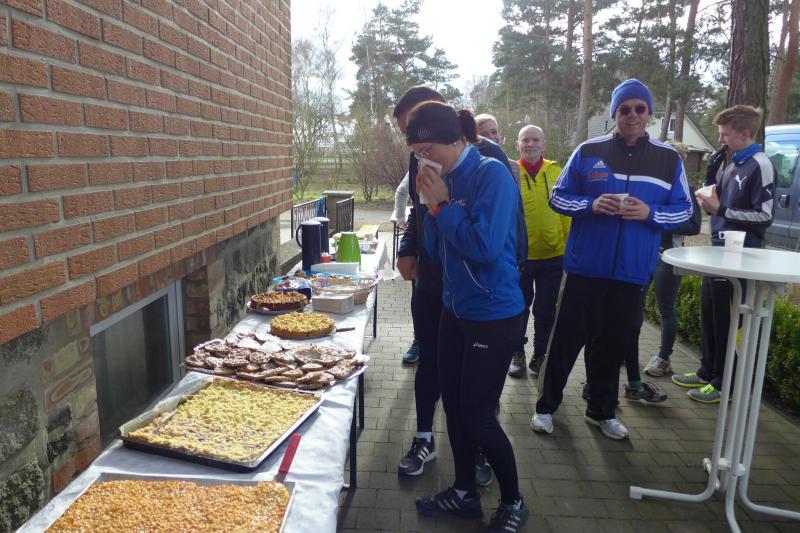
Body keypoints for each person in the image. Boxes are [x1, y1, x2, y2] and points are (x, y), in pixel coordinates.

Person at [530, 78, 692, 440]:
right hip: (585, 269)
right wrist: (591, 205)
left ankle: (601, 412)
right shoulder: (588, 150)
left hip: (631, 274)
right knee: (565, 343)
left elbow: (685, 211)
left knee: (611, 348)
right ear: (614, 113)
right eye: (624, 109)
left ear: (649, 114)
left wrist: (650, 212)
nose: (632, 115)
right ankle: (545, 407)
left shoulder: (668, 160)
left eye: (639, 109)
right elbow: (558, 197)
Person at [408, 100, 528, 533]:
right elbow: (438, 252)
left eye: (428, 150)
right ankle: (464, 493)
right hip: (454, 309)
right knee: (455, 408)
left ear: (456, 139)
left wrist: (442, 207)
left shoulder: (490, 174)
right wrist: (429, 207)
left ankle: (514, 501)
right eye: (417, 153)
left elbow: (485, 248)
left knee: (478, 414)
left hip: (493, 314)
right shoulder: (448, 179)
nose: (424, 160)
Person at [672, 105, 775, 403]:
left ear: (745, 133)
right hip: (719, 251)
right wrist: (709, 200)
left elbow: (764, 215)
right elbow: (720, 206)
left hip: (742, 257)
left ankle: (725, 384)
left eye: (725, 134)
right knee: (710, 313)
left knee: (728, 320)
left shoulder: (760, 164)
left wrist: (721, 209)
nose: (720, 140)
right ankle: (707, 371)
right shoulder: (731, 164)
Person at [507, 125, 569, 379]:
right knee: (519, 308)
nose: (530, 144)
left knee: (545, 310)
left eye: (535, 140)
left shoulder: (557, 172)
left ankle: (540, 354)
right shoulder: (509, 172)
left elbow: (566, 212)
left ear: (544, 144)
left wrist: (567, 246)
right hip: (520, 257)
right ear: (518, 145)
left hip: (554, 256)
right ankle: (517, 353)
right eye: (525, 140)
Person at [641, 142, 702, 380]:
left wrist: (659, 220)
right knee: (634, 305)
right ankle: (626, 351)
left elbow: (694, 226)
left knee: (666, 309)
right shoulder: (651, 185)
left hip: (668, 257)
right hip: (644, 253)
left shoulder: (687, 189)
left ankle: (663, 358)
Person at [392, 173, 420, 364]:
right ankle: (419, 341)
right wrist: (401, 218)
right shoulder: (422, 164)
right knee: (419, 297)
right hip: (424, 251)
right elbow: (402, 191)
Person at [476, 113, 520, 183]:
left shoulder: (514, 166)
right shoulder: (472, 166)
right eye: (483, 135)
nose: (491, 137)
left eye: (494, 132)